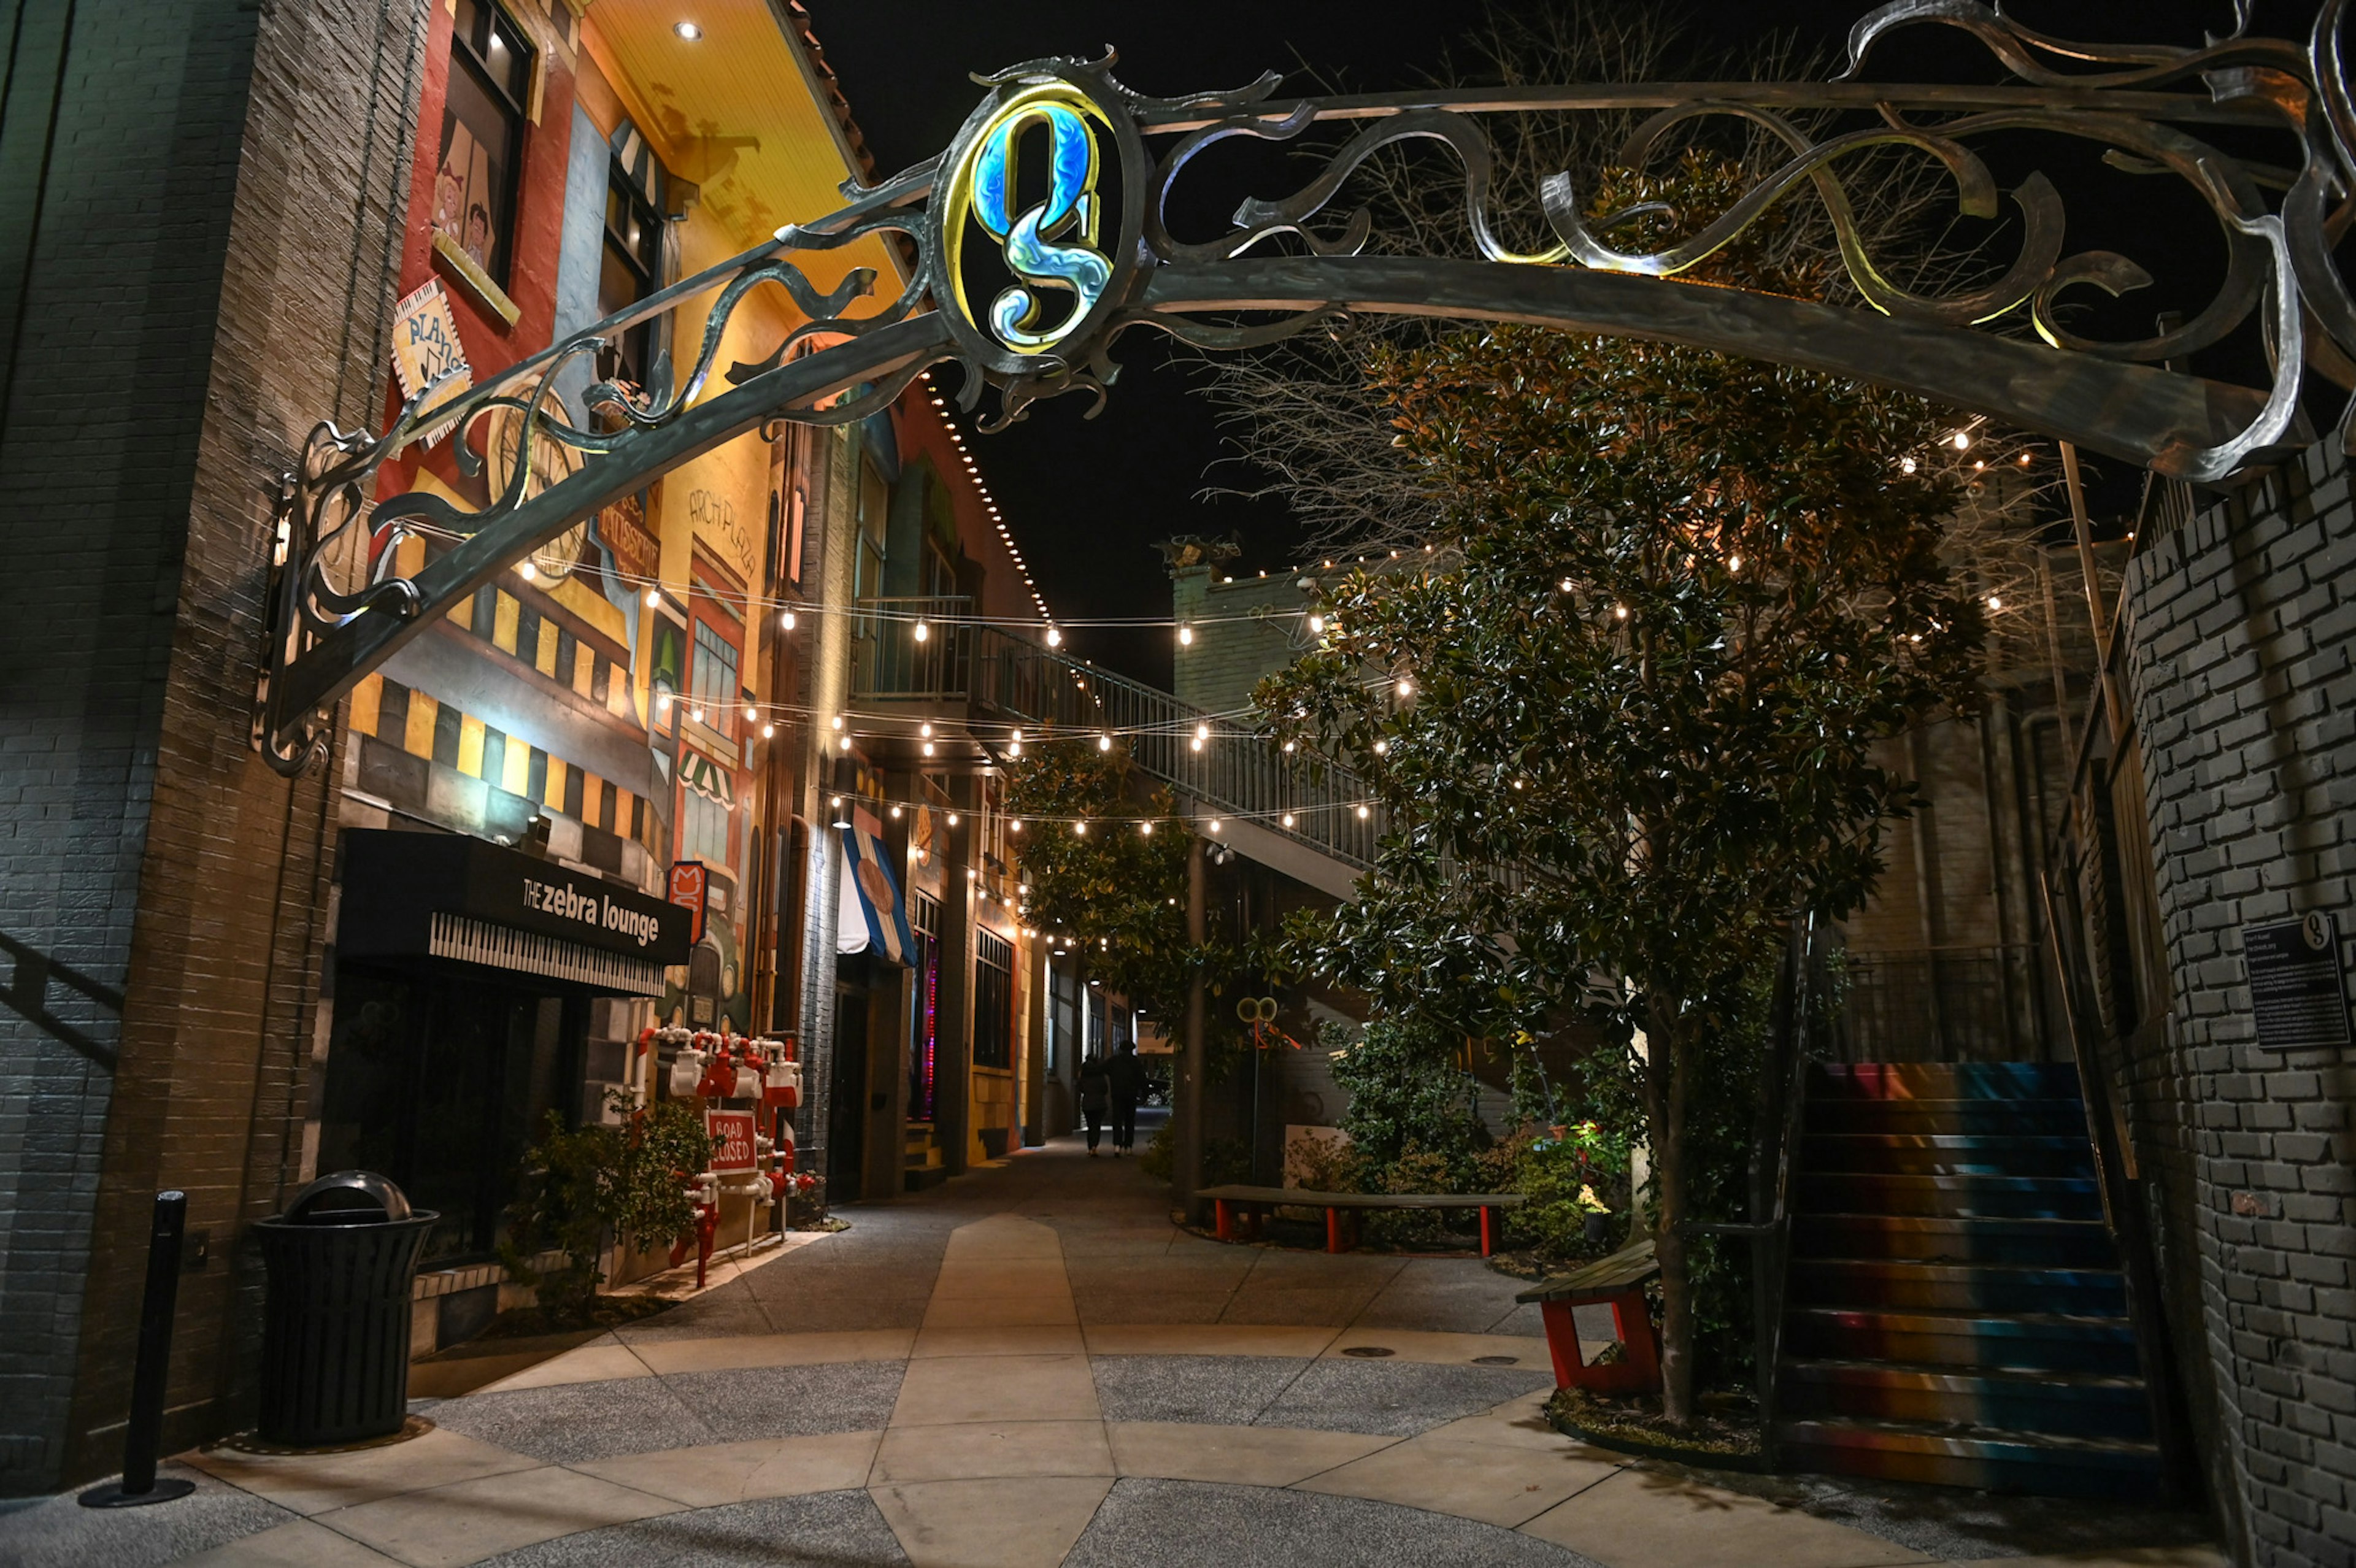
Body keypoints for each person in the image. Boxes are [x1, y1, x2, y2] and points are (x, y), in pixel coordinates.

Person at [1107, 1040, 1145, 1156]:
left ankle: (1117, 1145)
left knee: (1117, 1120)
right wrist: (1142, 1093)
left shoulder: (1114, 1061)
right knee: (1130, 1121)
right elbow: (1142, 1079)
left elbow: (1101, 1069)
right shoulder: (1136, 1062)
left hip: (1117, 1094)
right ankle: (1128, 1145)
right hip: (1131, 1094)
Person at [1078, 1050, 1111, 1157]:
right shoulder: (1100, 1075)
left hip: (1087, 1103)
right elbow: (1105, 1089)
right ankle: (1094, 1147)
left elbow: (1081, 1089)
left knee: (1090, 1126)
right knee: (1096, 1126)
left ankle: (1090, 1146)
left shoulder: (1083, 1075)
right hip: (1100, 1103)